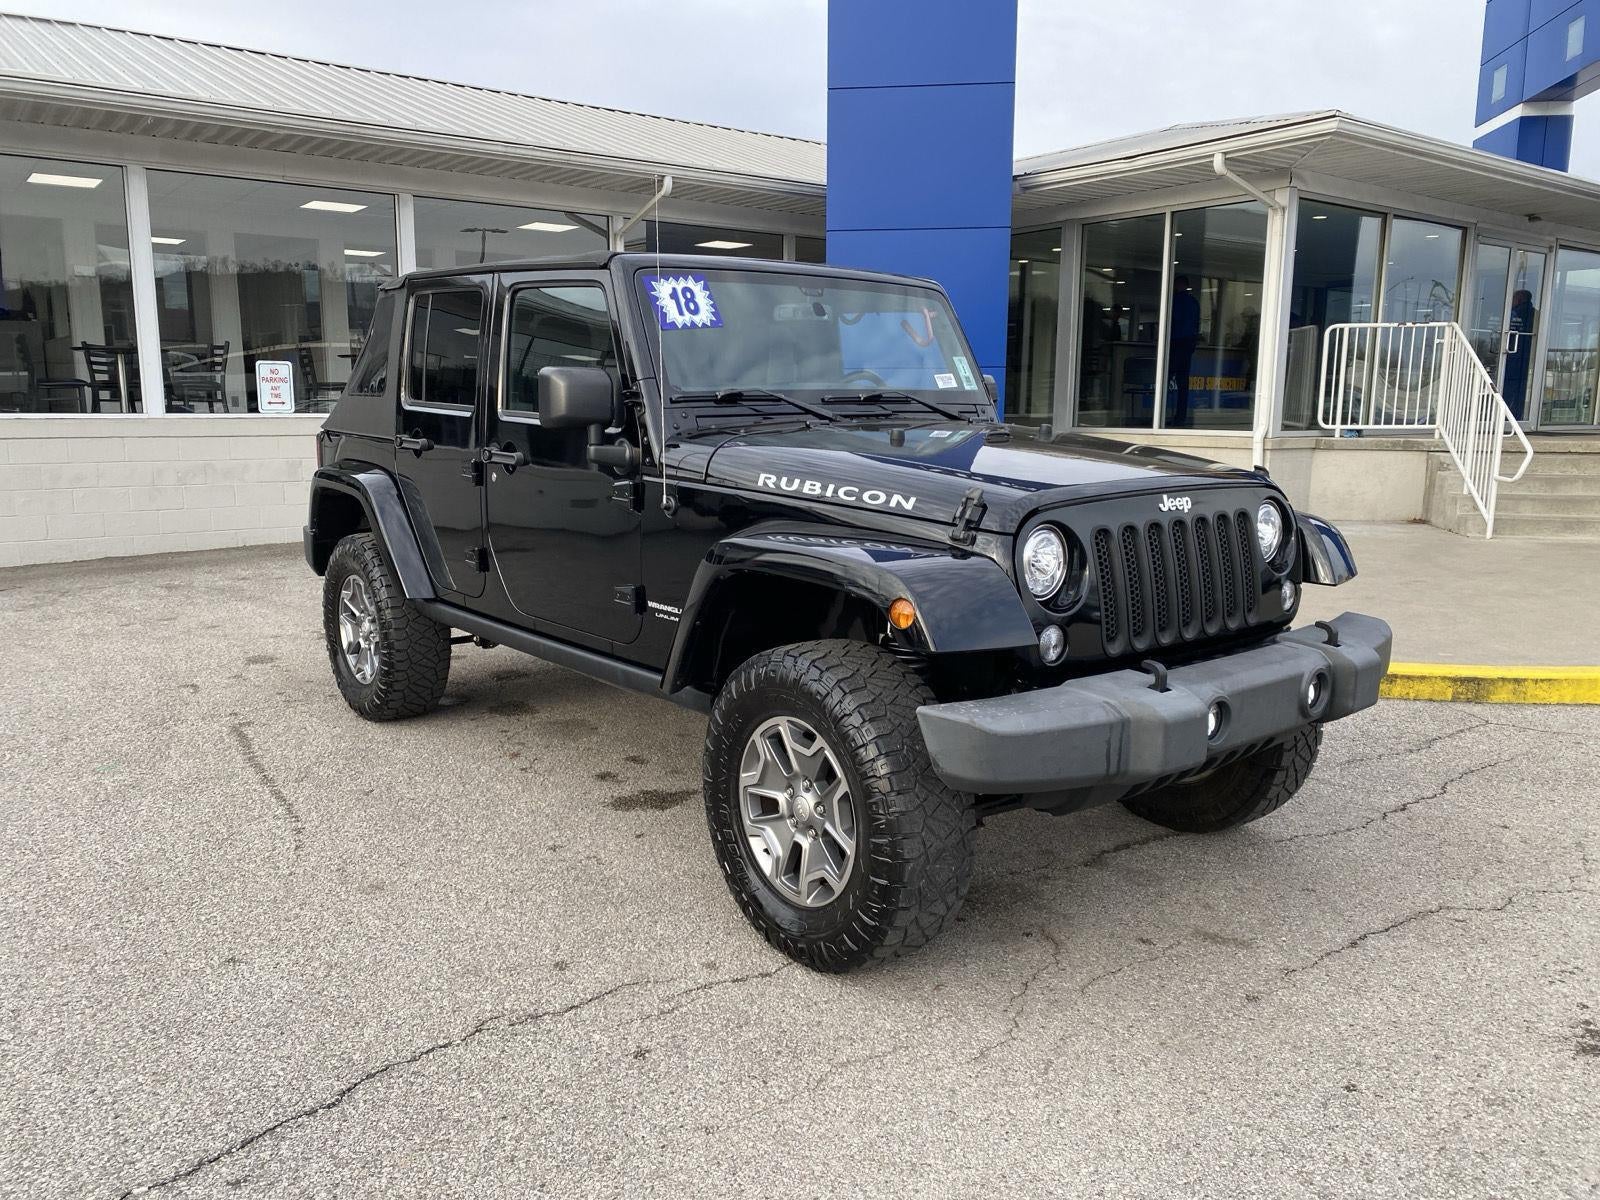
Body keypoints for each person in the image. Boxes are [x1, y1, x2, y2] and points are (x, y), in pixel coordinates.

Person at [1168, 275, 1201, 426]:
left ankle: (1162, 413)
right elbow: (1196, 325)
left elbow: (1171, 322)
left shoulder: (1174, 301)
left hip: (1175, 344)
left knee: (1166, 380)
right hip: (1187, 346)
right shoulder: (1194, 303)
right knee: (1183, 384)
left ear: (1177, 285)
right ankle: (1180, 416)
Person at [1502, 288, 1535, 420]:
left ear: (1520, 299)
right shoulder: (1533, 313)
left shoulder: (1515, 314)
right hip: (1526, 357)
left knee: (1508, 388)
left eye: (1514, 299)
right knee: (1520, 390)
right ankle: (1517, 417)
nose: (1511, 301)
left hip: (1514, 357)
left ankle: (1503, 417)